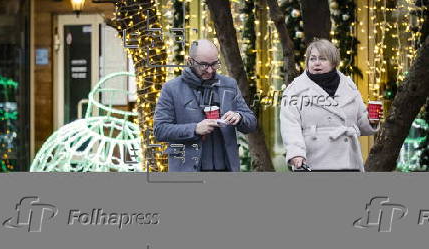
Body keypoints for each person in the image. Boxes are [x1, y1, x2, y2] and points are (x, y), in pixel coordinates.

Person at [154, 39, 257, 172]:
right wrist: (195, 129)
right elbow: (160, 130)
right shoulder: (171, 89)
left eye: (214, 64)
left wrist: (239, 117)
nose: (209, 70)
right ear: (190, 61)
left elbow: (252, 123)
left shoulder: (229, 84)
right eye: (203, 65)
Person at [280, 39, 381, 172]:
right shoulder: (295, 89)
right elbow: (290, 125)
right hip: (314, 162)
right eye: (312, 59)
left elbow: (360, 123)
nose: (316, 63)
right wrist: (296, 153)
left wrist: (371, 121)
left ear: (333, 62)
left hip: (349, 162)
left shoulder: (349, 86)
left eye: (322, 59)